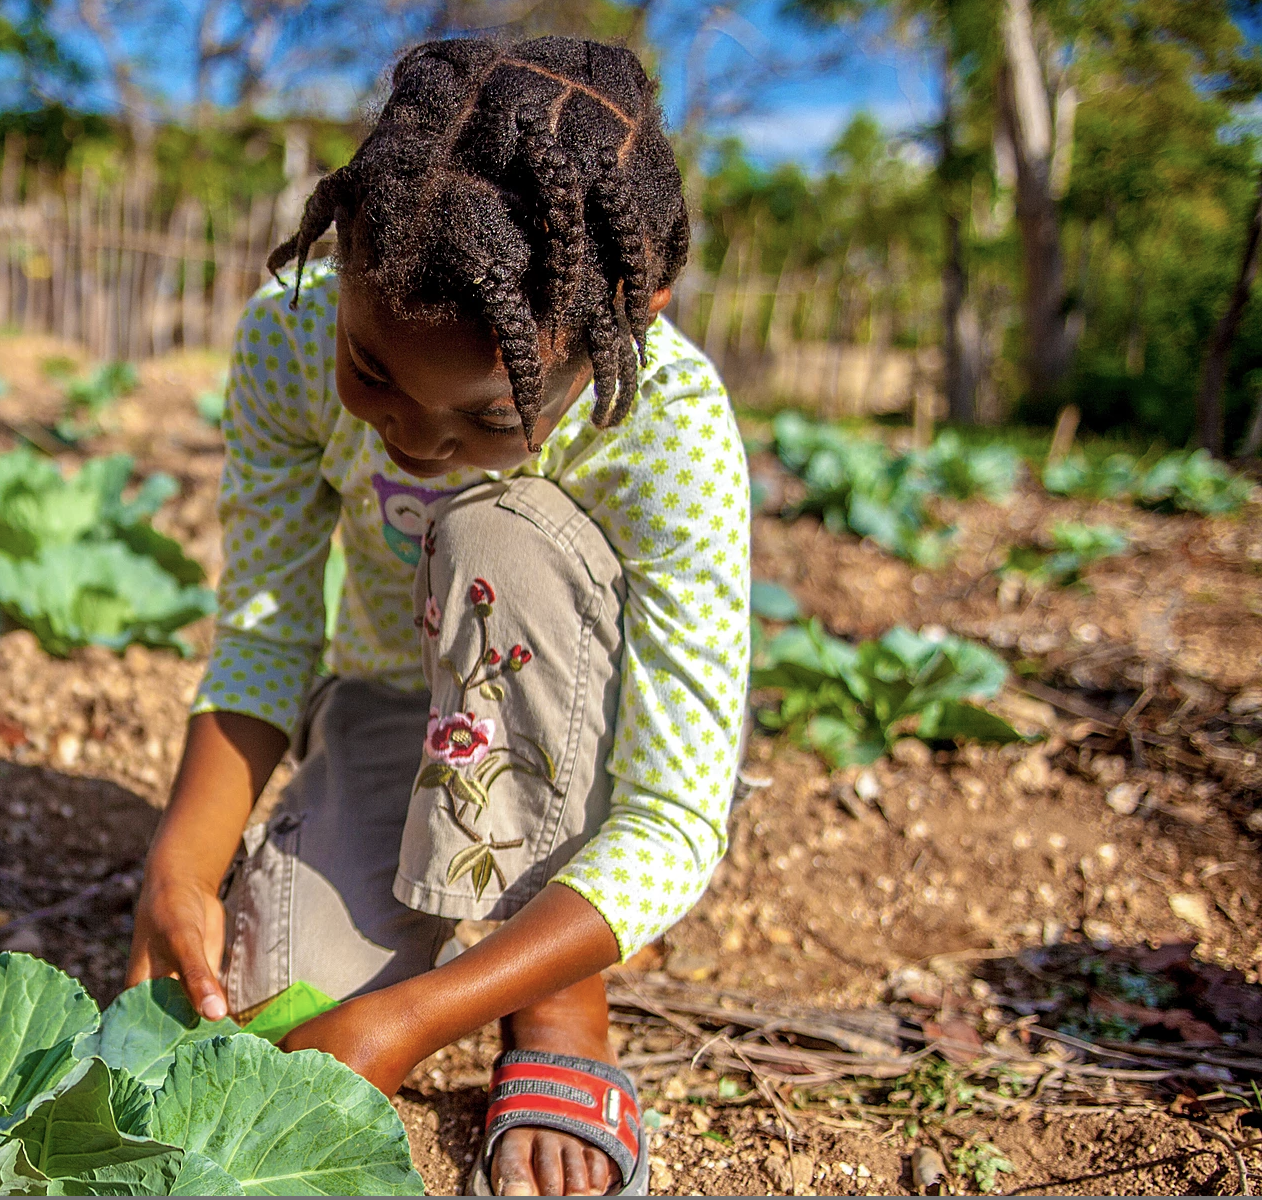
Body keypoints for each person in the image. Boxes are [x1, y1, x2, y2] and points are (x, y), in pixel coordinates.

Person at [125, 35, 749, 1197]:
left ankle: (558, 1005)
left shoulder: (671, 426)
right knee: (270, 1007)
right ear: (349, 243)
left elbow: (671, 812)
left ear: (637, 315)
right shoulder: (291, 331)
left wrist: (421, 1019)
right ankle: (460, 924)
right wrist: (180, 865)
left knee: (490, 533)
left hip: (576, 746)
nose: (409, 439)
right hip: (385, 707)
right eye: (374, 373)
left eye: (480, 417)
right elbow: (266, 629)